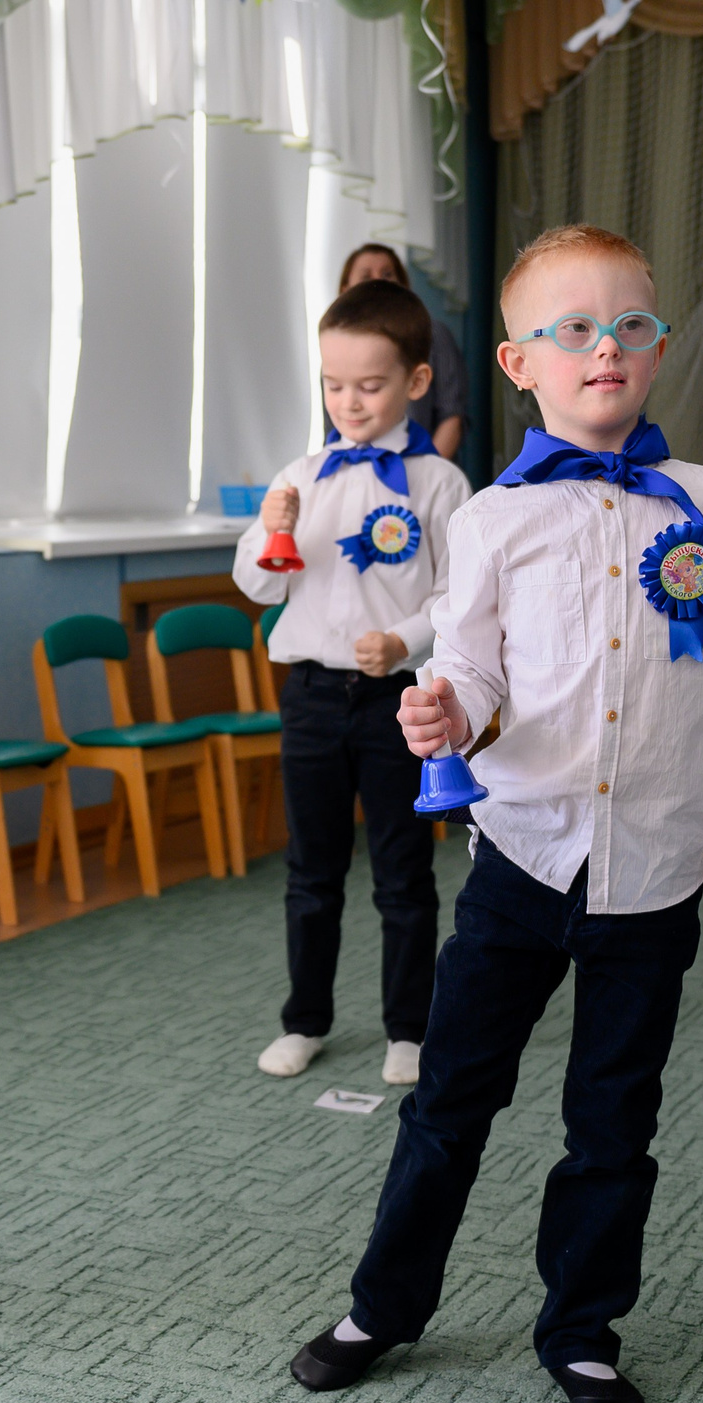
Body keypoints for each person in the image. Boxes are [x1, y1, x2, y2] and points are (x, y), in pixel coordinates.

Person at [288, 225, 703, 1403]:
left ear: (659, 345)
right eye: (572, 329)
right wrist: (445, 709)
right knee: (451, 1101)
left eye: (629, 324)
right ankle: (386, 1303)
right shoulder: (490, 518)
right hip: (521, 858)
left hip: (657, 866)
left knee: (615, 1116)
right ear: (521, 362)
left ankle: (580, 1328)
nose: (605, 348)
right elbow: (473, 664)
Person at [237, 280, 472, 1090]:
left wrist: (405, 639)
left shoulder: (440, 484)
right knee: (312, 871)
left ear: (413, 381)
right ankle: (306, 1018)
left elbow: (464, 600)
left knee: (403, 873)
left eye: (368, 385)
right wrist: (272, 526)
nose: (348, 400)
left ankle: (409, 1028)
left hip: (395, 704)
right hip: (307, 697)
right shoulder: (302, 474)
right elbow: (260, 588)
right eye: (333, 384)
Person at [340, 243, 467, 460]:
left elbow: (452, 416)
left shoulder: (433, 335)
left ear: (403, 285)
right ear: (346, 289)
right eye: (365, 275)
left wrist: (428, 476)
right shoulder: (338, 346)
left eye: (387, 274)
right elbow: (332, 435)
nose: (378, 281)